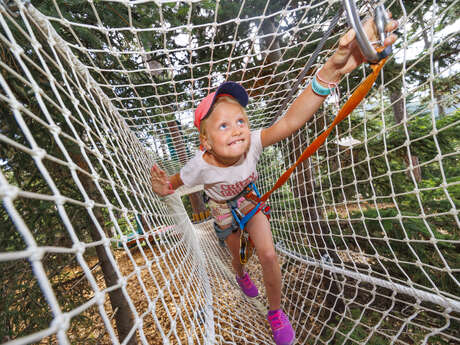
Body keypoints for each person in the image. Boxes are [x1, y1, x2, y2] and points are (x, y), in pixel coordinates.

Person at [151, 16, 398, 345]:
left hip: (250, 199)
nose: (237, 127)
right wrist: (162, 186)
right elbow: (174, 183)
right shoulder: (200, 166)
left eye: (240, 119)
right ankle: (240, 275)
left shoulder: (253, 142)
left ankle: (275, 312)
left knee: (267, 254)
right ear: (206, 141)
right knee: (237, 255)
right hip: (222, 208)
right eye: (223, 125)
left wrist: (331, 70)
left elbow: (291, 121)